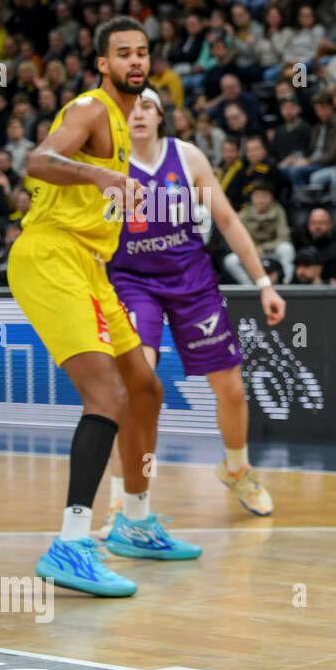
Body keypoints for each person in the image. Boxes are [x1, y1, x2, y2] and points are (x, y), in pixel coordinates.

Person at [8, 17, 196, 598]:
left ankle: (135, 522)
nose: (135, 62)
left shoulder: (126, 121)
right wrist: (97, 174)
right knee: (107, 396)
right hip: (50, 256)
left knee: (145, 389)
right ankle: (70, 542)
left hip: (91, 266)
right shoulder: (90, 108)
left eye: (142, 53)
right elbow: (36, 163)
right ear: (102, 64)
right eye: (123, 54)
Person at [101, 87, 286, 530]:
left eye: (147, 106)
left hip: (191, 280)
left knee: (232, 390)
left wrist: (264, 284)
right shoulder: (106, 166)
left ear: (161, 115)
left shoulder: (187, 157)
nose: (139, 114)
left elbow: (227, 220)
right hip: (132, 281)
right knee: (136, 388)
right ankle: (119, 498)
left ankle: (237, 469)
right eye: (131, 108)